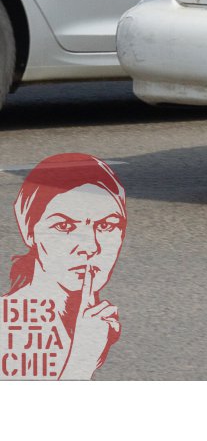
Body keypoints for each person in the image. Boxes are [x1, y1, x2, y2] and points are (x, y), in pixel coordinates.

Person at [5, 154, 125, 380]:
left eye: (107, 225)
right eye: (64, 226)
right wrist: (83, 358)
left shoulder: (95, 324)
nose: (90, 246)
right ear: (29, 230)